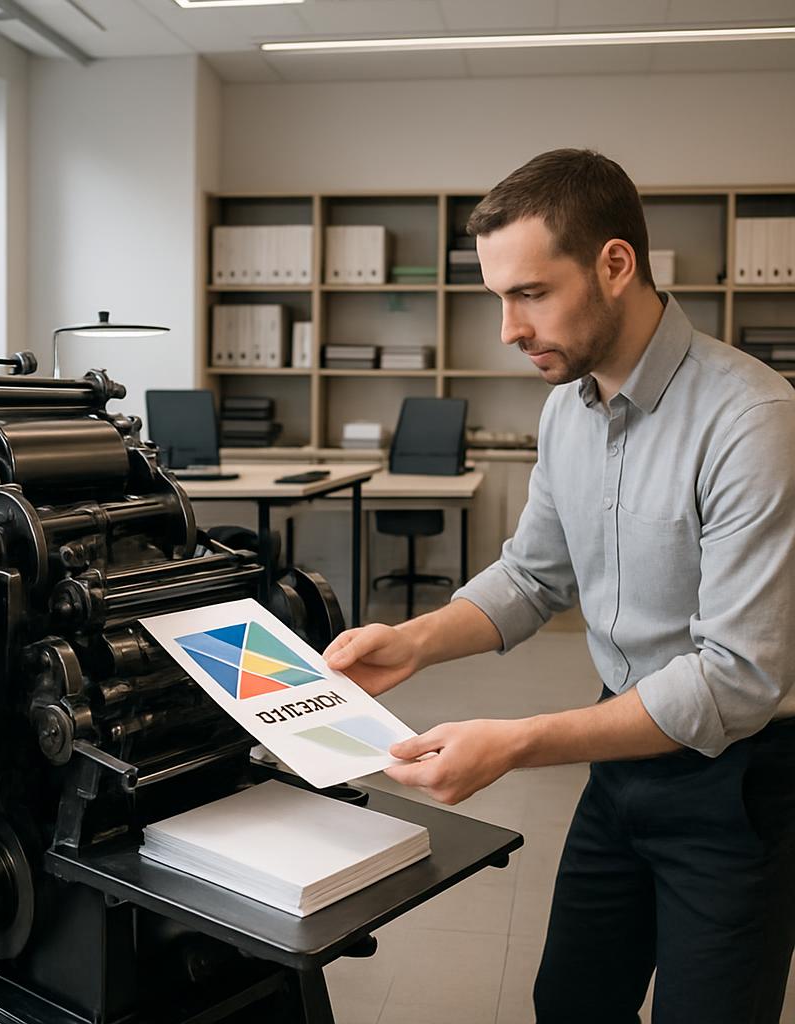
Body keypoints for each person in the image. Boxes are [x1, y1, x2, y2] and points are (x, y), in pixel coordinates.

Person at [324, 149, 795, 1024]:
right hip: (618, 761)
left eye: (530, 294)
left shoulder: (751, 421)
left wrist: (516, 741)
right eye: (498, 297)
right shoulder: (565, 410)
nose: (507, 328)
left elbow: (736, 676)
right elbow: (534, 576)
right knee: (572, 1004)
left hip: (734, 785)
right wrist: (412, 643)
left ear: (616, 265)